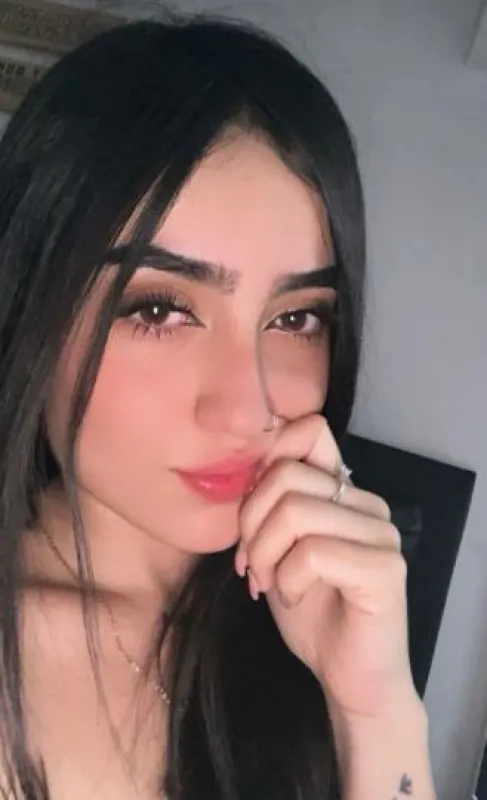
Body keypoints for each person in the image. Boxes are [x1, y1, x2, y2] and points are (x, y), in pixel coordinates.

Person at [0, 9, 436, 800]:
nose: (248, 409)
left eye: (295, 319)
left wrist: (375, 713)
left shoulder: (312, 620)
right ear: (31, 303)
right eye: (159, 309)